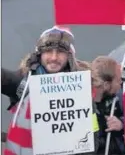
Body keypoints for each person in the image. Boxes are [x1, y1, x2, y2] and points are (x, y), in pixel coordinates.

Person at [4, 26, 89, 155]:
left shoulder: (82, 86)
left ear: (69, 56)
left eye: (60, 52)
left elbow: (92, 129)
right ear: (39, 54)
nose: (54, 57)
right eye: (48, 51)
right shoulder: (24, 81)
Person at [91, 56, 125, 155]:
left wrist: (121, 124)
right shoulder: (83, 106)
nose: (121, 83)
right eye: (118, 80)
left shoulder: (119, 96)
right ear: (106, 85)